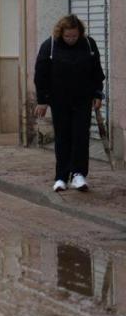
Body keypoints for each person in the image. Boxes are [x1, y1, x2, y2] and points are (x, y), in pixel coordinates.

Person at [34, 14, 105, 192]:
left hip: (82, 99)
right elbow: (40, 74)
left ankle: (78, 174)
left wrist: (98, 93)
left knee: (81, 136)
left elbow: (96, 71)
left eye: (74, 36)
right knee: (63, 137)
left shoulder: (88, 44)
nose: (71, 39)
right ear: (61, 33)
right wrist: (42, 100)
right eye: (68, 36)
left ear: (80, 33)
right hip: (59, 100)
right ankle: (61, 177)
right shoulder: (49, 46)